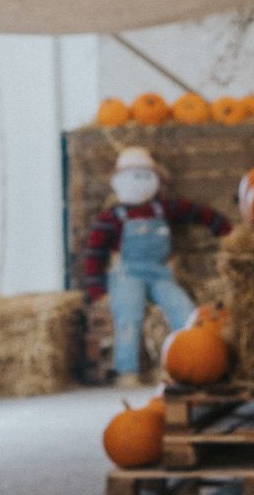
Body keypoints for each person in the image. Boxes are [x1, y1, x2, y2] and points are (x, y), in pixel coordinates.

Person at [83, 147, 232, 386]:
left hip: (161, 273)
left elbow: (197, 212)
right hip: (127, 274)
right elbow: (95, 254)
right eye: (132, 176)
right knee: (128, 316)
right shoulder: (111, 217)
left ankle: (180, 364)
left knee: (184, 311)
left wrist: (222, 228)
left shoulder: (164, 208)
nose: (138, 182)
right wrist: (96, 291)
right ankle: (127, 371)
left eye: (143, 175)